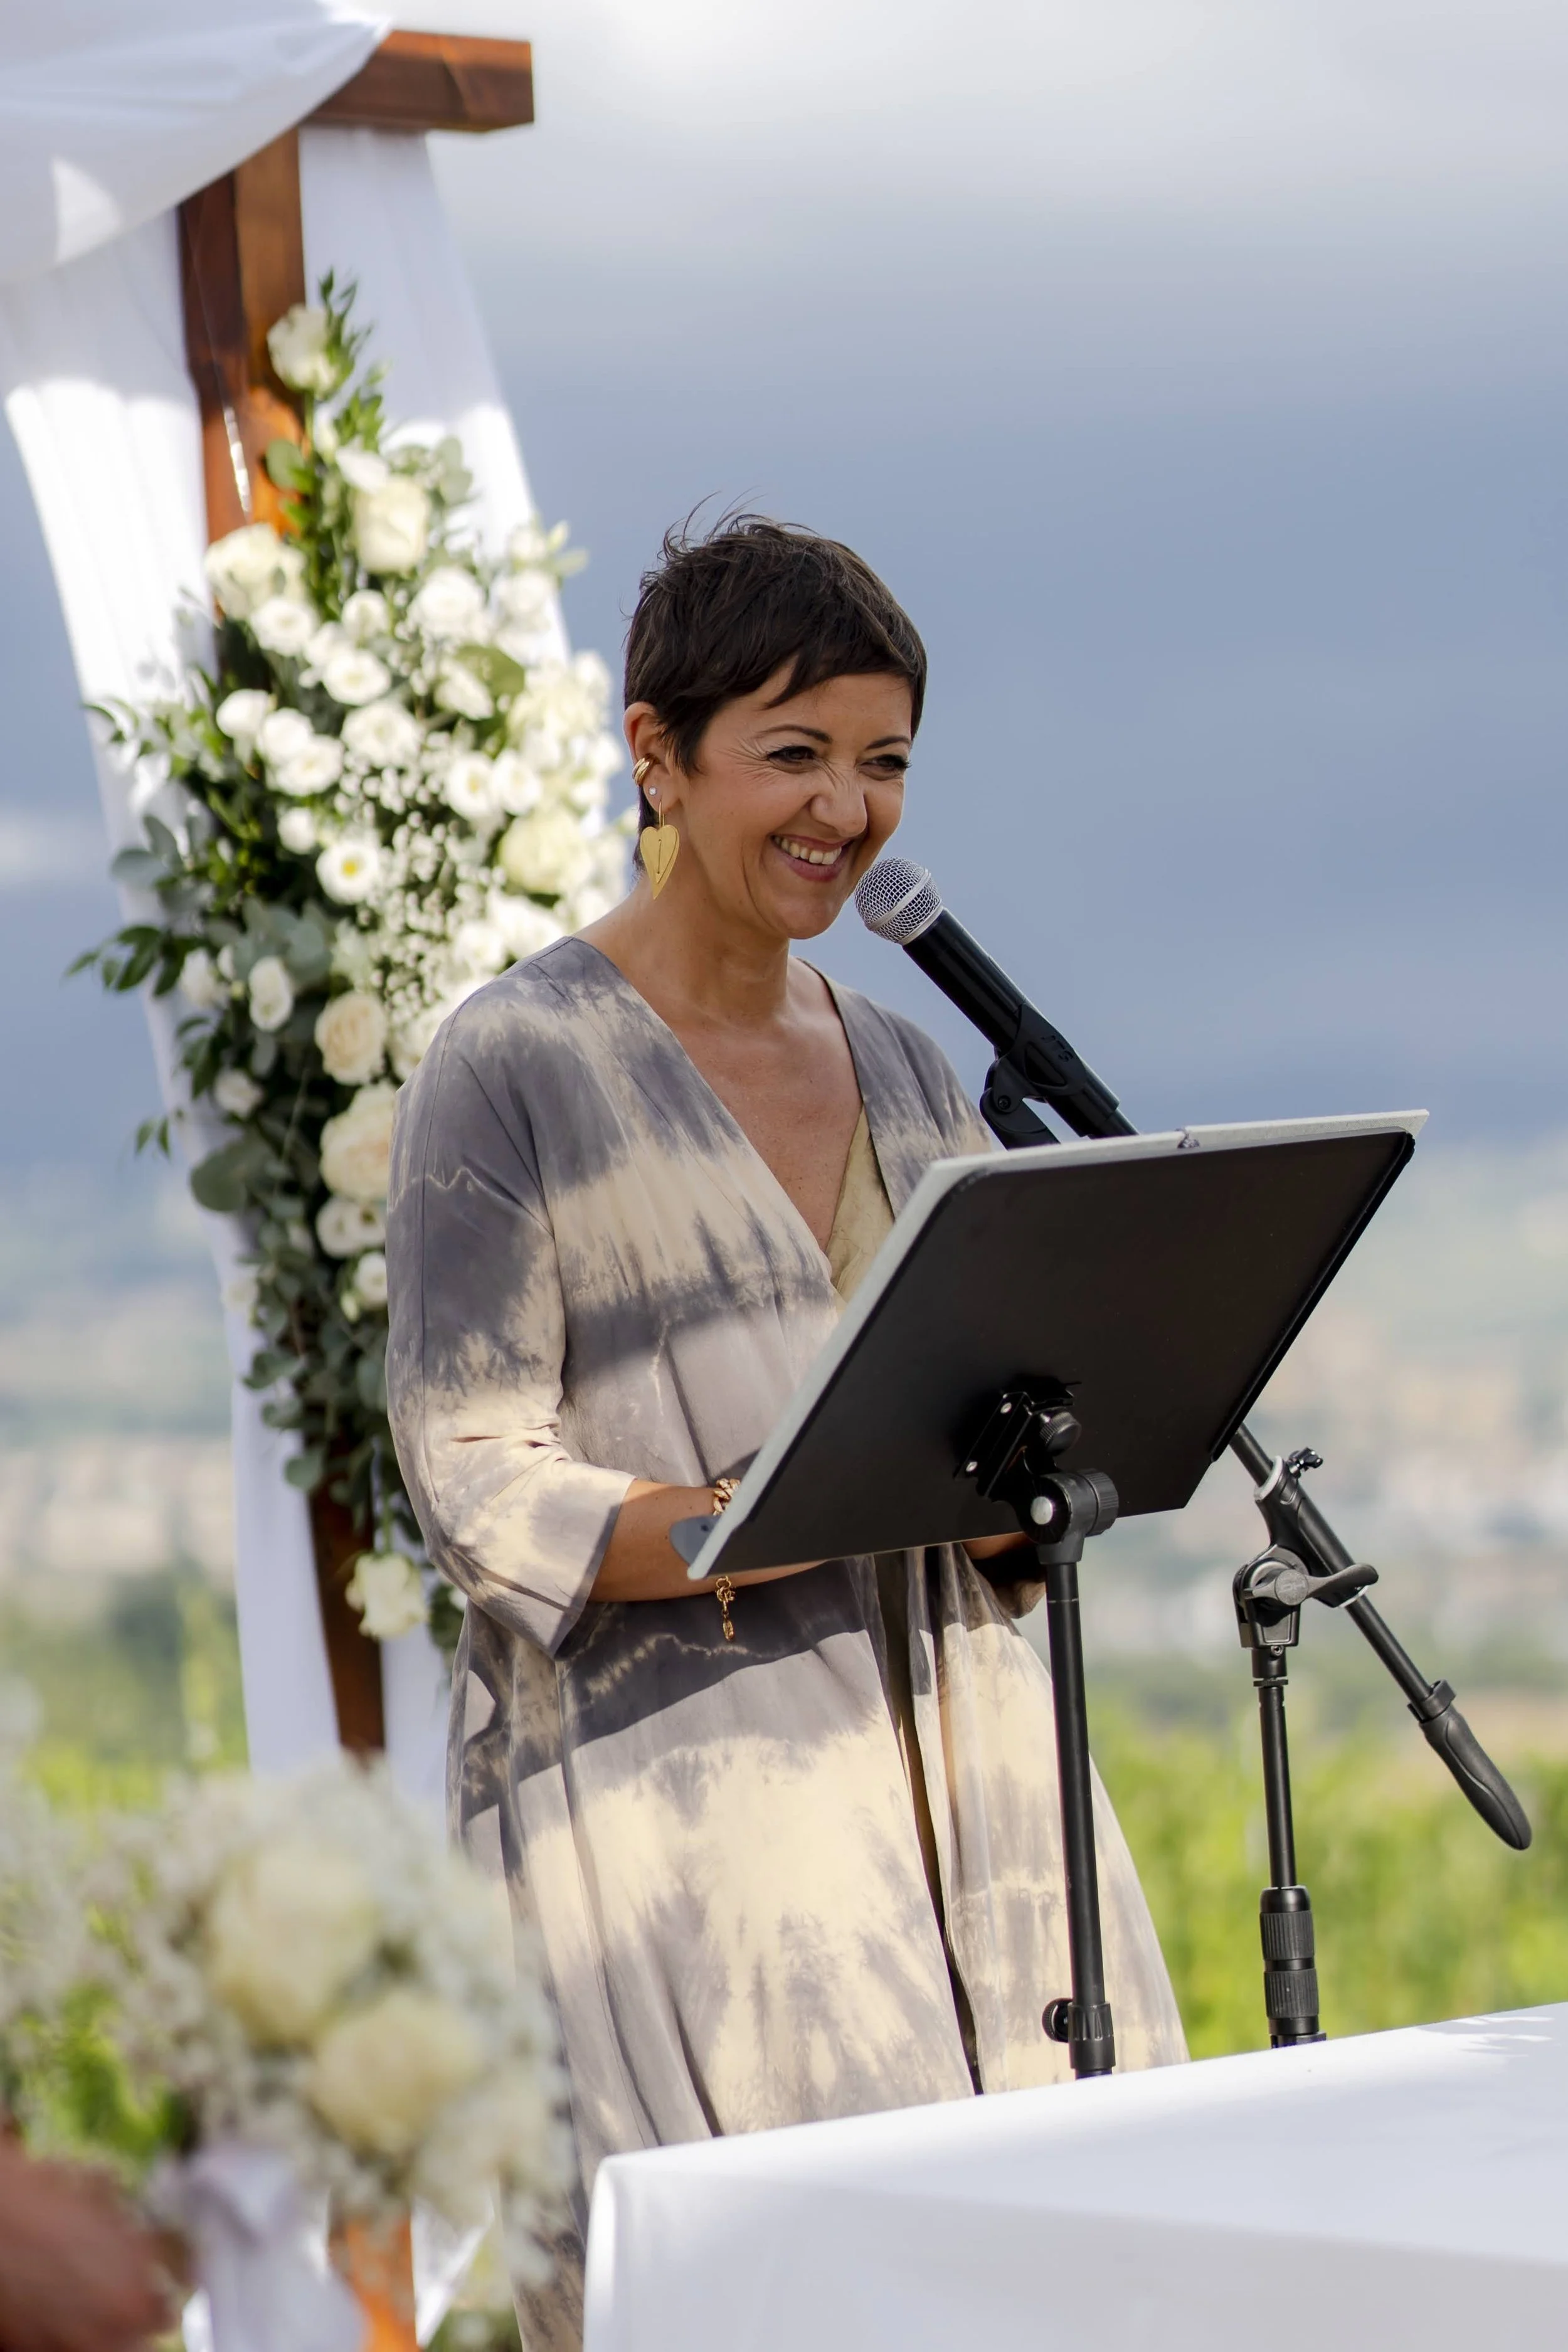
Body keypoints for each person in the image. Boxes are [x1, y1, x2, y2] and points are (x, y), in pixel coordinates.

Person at [386, 517, 1185, 2347]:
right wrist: (769, 1514)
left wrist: (1022, 1497)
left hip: (972, 1786)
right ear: (653, 753)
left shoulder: (913, 1068)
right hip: (680, 1818)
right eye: (795, 752)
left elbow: (992, 1415)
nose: (846, 807)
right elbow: (478, 1479)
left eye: (884, 760)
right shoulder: (508, 1065)